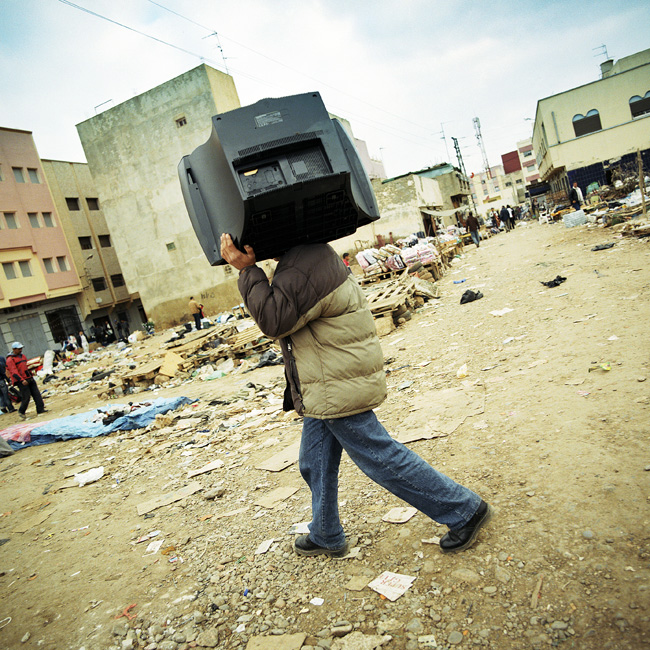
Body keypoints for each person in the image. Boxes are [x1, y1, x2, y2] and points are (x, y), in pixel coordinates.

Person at [220, 233, 492, 557]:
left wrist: (247, 271)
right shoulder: (308, 256)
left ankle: (464, 510)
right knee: (314, 461)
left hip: (336, 383)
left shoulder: (301, 266)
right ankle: (325, 532)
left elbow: (274, 319)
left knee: (380, 457)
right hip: (327, 380)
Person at [6, 342, 46, 420]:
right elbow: (14, 372)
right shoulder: (10, 359)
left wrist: (31, 374)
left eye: (21, 348)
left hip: (29, 377)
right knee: (26, 397)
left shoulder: (22, 356)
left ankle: (40, 409)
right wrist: (21, 380)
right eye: (19, 349)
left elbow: (26, 367)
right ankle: (21, 411)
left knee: (37, 394)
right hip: (21, 380)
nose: (21, 350)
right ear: (14, 349)